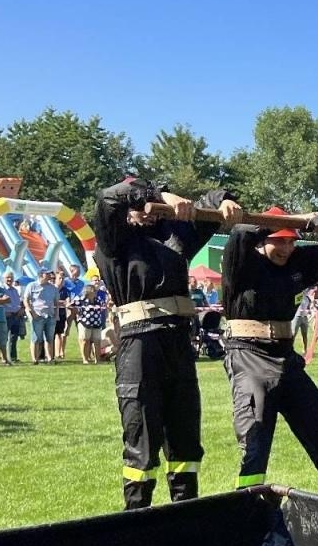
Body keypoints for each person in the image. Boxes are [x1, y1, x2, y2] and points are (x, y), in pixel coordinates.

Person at [96, 178, 234, 509]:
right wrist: (155, 195)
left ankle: (183, 516)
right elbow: (108, 199)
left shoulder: (173, 236)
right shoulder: (113, 239)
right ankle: (136, 517)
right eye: (139, 208)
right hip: (139, 344)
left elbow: (208, 203)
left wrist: (225, 201)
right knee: (141, 439)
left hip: (178, 344)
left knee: (186, 441)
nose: (147, 214)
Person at [221, 208, 318, 493]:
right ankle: (247, 508)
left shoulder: (298, 262)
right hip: (248, 356)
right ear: (262, 239)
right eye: (279, 241)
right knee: (255, 439)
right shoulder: (241, 260)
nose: (287, 248)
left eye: (291, 241)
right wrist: (288, 220)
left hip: (287, 359)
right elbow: (240, 232)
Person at [23, 268, 60, 363]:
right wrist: (32, 313)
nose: (49, 275)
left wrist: (56, 315)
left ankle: (50, 358)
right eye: (47, 274)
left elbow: (56, 302)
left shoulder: (53, 288)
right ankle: (34, 359)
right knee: (35, 338)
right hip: (37, 316)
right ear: (41, 275)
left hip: (50, 316)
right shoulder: (32, 286)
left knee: (50, 338)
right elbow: (26, 300)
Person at [76, 276, 109, 363]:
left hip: (97, 323)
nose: (95, 292)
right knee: (85, 341)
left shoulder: (98, 299)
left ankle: (97, 360)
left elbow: (104, 306)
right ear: (89, 291)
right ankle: (85, 359)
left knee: (97, 341)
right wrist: (78, 313)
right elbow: (71, 305)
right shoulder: (81, 299)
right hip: (85, 323)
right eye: (94, 291)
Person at [57, 263, 85, 360]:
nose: (79, 272)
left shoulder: (81, 283)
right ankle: (61, 352)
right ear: (72, 271)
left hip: (79, 308)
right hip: (68, 308)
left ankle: (83, 353)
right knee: (65, 330)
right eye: (78, 270)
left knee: (81, 330)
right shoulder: (66, 281)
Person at [2, 273, 25, 363]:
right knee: (3, 338)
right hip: (7, 316)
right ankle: (2, 357)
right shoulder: (2, 290)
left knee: (14, 338)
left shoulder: (15, 290)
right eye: (7, 277)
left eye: (11, 278)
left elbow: (17, 302)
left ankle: (13, 357)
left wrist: (20, 309)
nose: (9, 279)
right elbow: (0, 303)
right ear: (4, 278)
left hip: (16, 316)